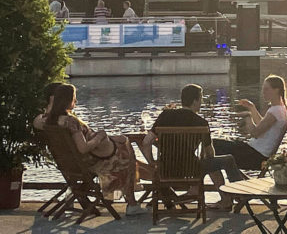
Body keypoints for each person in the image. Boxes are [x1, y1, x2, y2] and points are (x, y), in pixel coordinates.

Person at [46, 84, 147, 216]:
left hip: (73, 165)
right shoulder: (71, 122)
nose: (75, 101)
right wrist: (99, 137)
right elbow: (83, 148)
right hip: (94, 162)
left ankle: (125, 196)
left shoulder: (51, 121)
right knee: (127, 156)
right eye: (74, 98)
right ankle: (132, 202)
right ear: (67, 100)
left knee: (123, 141)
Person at [142, 84, 245, 210]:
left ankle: (225, 200)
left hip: (166, 169)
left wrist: (152, 162)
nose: (201, 103)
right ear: (195, 101)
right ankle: (240, 196)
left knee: (212, 164)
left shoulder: (165, 116)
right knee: (227, 160)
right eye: (201, 99)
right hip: (192, 170)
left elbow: (147, 142)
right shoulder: (201, 122)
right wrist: (206, 156)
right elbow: (210, 155)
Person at [213, 75, 287, 171]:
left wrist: (248, 117)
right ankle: (233, 179)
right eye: (263, 89)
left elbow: (255, 133)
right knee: (217, 149)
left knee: (213, 144)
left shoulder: (275, 111)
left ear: (276, 90)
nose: (263, 92)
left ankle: (230, 180)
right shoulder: (280, 109)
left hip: (255, 156)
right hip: (255, 152)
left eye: (266, 89)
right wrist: (251, 108)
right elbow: (261, 125)